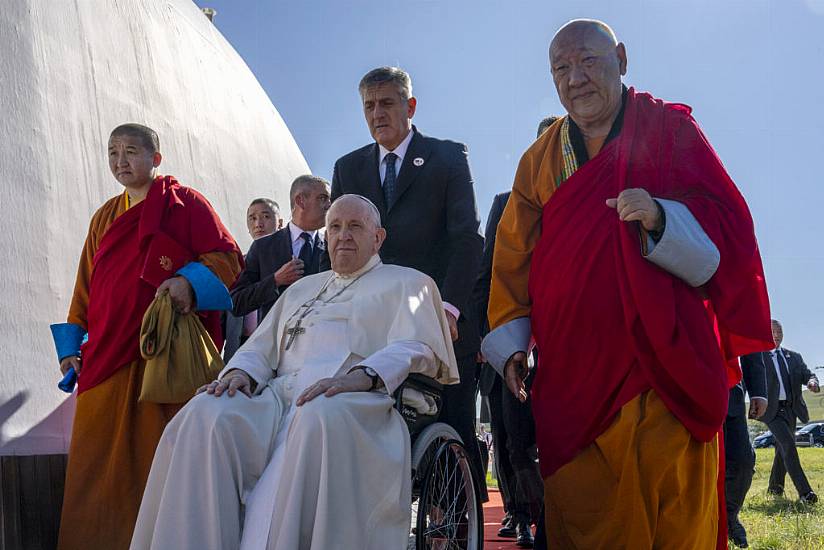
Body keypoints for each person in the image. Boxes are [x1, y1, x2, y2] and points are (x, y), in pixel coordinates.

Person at [482, 20, 773, 547]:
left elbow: (730, 225)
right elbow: (512, 258)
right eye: (561, 68)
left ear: (621, 57)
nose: (576, 79)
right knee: (583, 502)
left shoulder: (670, 132)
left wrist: (664, 218)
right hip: (573, 369)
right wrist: (509, 344)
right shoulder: (539, 161)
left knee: (670, 501)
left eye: (589, 61)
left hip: (664, 358)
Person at [130, 194, 458, 550]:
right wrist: (241, 373)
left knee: (318, 414)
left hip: (356, 396)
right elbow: (260, 346)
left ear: (378, 237)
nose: (343, 236)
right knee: (204, 414)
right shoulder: (301, 288)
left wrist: (364, 375)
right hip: (277, 394)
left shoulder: (410, 282)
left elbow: (417, 345)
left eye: (355, 227)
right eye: (335, 227)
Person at [50, 123, 242, 550]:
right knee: (95, 467)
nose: (121, 161)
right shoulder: (104, 216)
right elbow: (86, 284)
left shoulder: (185, 203)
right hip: (104, 357)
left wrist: (188, 283)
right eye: (113, 152)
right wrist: (70, 348)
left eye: (131, 151)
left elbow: (229, 258)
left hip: (164, 357)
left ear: (156, 158)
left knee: (162, 461)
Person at [330, 66, 485, 498]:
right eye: (369, 106)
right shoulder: (349, 167)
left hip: (439, 318)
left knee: (449, 429)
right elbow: (347, 246)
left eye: (386, 103)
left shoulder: (448, 157)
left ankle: (453, 528)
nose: (377, 114)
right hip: (374, 320)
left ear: (410, 106)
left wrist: (448, 308)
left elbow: (467, 239)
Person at [231, 175, 330, 323]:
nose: (329, 204)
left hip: (318, 341)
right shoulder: (262, 247)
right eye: (323, 198)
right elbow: (237, 303)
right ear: (300, 201)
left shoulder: (331, 248)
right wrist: (275, 281)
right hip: (273, 343)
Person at [757, 319, 821, 504]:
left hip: (791, 409)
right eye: (772, 332)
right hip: (771, 411)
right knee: (788, 445)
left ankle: (775, 489)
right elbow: (748, 381)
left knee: (782, 448)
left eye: (779, 332)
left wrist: (812, 382)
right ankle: (805, 493)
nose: (776, 335)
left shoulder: (793, 357)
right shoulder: (758, 358)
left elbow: (807, 374)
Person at [224, 198, 283, 361]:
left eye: (266, 216)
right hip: (238, 349)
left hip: (274, 351)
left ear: (280, 223)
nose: (258, 224)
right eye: (252, 218)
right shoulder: (236, 264)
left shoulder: (289, 264)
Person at [725, 353, 768, 548]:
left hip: (728, 389)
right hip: (678, 383)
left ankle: (728, 517)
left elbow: (748, 333)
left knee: (743, 461)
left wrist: (758, 391)